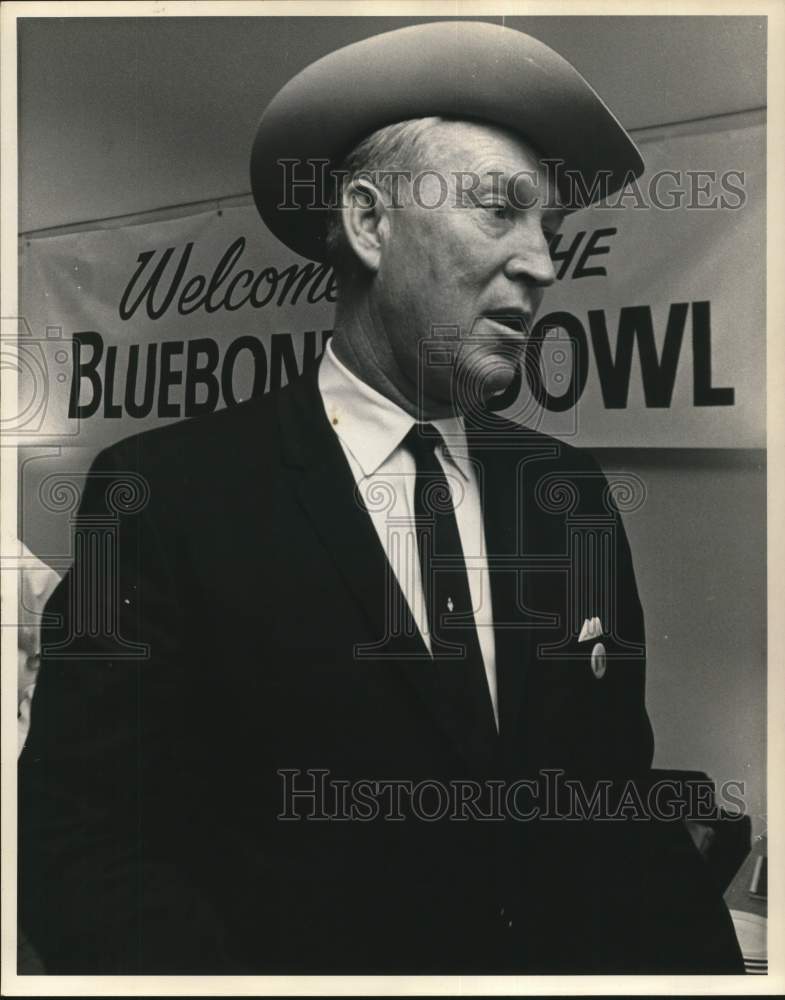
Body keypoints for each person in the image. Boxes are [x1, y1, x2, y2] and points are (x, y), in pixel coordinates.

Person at [18, 21, 744, 975]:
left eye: (551, 229)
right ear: (368, 223)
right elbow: (80, 844)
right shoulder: (162, 497)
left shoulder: (565, 493)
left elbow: (615, 803)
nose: (543, 262)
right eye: (500, 210)